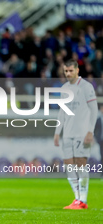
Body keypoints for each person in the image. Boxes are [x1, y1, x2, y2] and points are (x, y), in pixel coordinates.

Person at [54, 59, 98, 210]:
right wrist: (57, 132)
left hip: (82, 132)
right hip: (68, 133)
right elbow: (62, 112)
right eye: (66, 71)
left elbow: (94, 110)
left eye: (71, 70)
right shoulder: (64, 88)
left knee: (80, 164)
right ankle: (77, 198)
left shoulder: (86, 87)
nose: (68, 73)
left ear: (77, 70)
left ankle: (83, 200)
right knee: (69, 166)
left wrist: (90, 131)